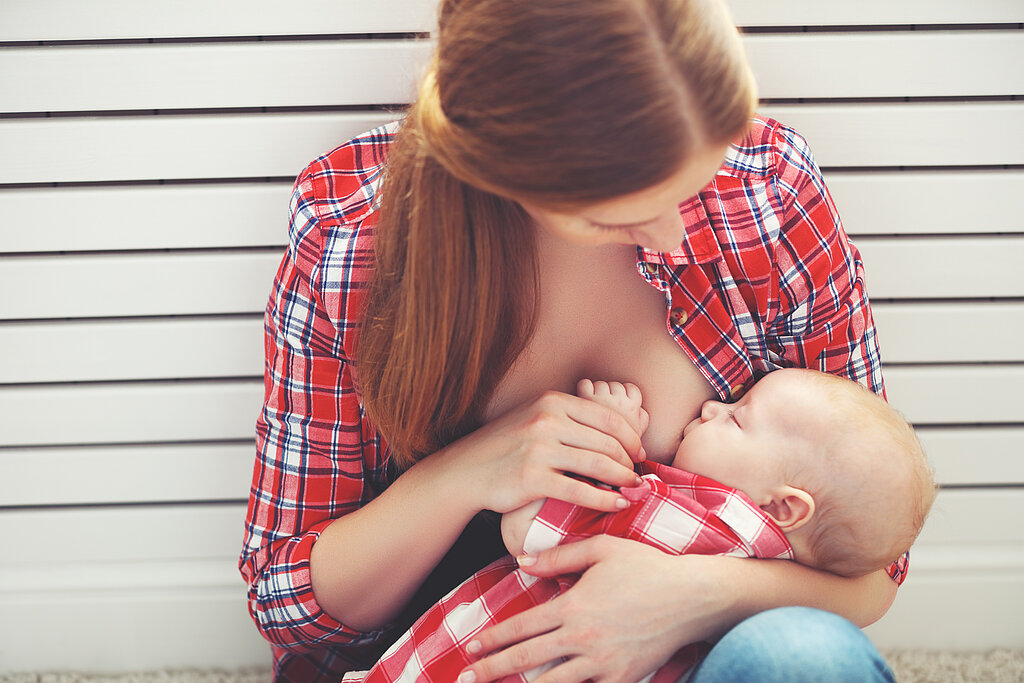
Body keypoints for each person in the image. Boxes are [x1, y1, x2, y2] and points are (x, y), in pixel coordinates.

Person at [239, 0, 903, 680]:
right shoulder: (352, 237)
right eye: (625, 215)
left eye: (696, 181)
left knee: (803, 660)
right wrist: (473, 470)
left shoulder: (768, 192)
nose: (677, 236)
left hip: (691, 655)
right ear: (508, 172)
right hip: (460, 656)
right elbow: (288, 601)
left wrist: (691, 597)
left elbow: (873, 565)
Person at [341, 371, 937, 682]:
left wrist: (609, 439)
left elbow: (528, 532)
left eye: (734, 420)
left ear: (783, 507)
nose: (710, 408)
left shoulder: (688, 517)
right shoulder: (781, 559)